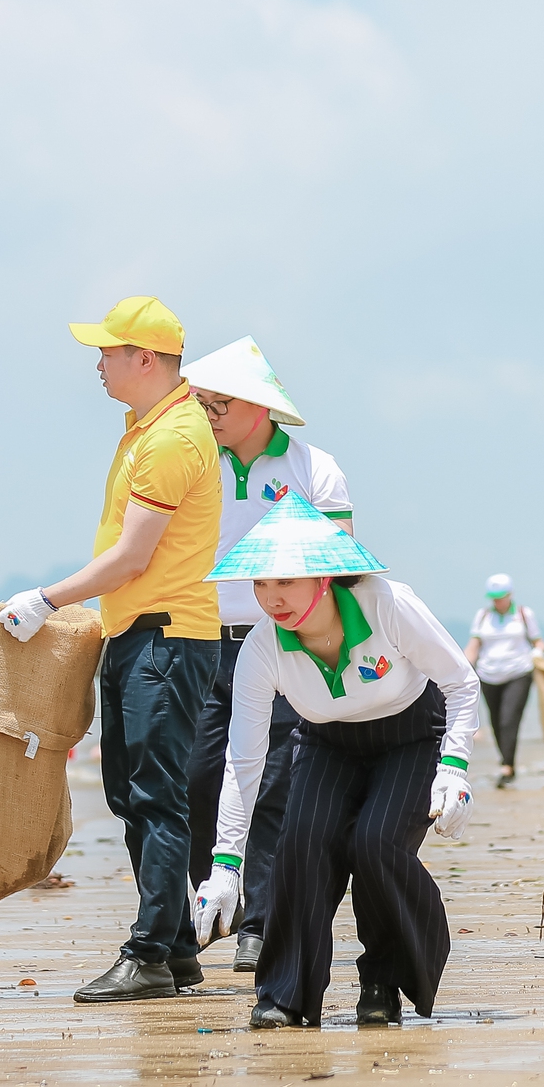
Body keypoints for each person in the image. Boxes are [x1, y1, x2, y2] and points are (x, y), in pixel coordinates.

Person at [0, 296, 222, 1005]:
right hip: (139, 633)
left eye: (107, 352)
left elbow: (131, 557)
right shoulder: (143, 429)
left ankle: (151, 952)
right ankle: (179, 948)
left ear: (144, 359)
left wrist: (48, 599)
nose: (97, 364)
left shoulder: (172, 438)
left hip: (167, 635)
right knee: (130, 793)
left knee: (156, 797)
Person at [204, 493, 480, 1029]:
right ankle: (284, 993)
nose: (272, 597)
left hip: (411, 739)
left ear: (323, 578)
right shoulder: (263, 649)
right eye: (260, 583)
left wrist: (454, 768)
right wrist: (225, 864)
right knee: (301, 843)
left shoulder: (388, 604)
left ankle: (382, 981)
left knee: (374, 843)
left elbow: (461, 683)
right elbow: (244, 759)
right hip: (327, 744)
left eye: (285, 580)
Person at [178, 336, 353, 976]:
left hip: (284, 645)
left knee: (275, 787)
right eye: (200, 405)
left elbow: (340, 562)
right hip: (202, 642)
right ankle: (209, 905)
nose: (206, 417)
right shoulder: (197, 466)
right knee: (198, 782)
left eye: (216, 406)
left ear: (259, 407)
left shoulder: (314, 468)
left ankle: (261, 921)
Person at [465, 574, 544, 788]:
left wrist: (537, 653)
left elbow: (539, 642)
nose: (497, 601)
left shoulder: (523, 614)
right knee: (496, 721)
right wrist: (461, 668)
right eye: (493, 597)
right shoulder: (483, 616)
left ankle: (507, 767)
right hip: (488, 675)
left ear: (510, 594)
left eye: (500, 596)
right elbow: (474, 646)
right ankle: (507, 762)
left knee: (509, 719)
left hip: (518, 672)